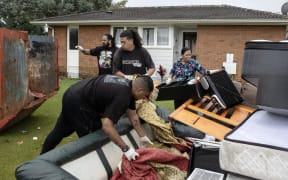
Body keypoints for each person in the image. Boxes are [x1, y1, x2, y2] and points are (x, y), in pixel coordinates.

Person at [40, 75, 154, 161]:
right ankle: (89, 166)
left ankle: (42, 157)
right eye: (145, 96)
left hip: (74, 93)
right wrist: (126, 149)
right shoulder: (123, 96)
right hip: (80, 102)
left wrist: (143, 137)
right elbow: (107, 127)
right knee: (93, 138)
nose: (144, 99)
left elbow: (133, 116)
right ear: (140, 90)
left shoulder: (128, 86)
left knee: (60, 130)